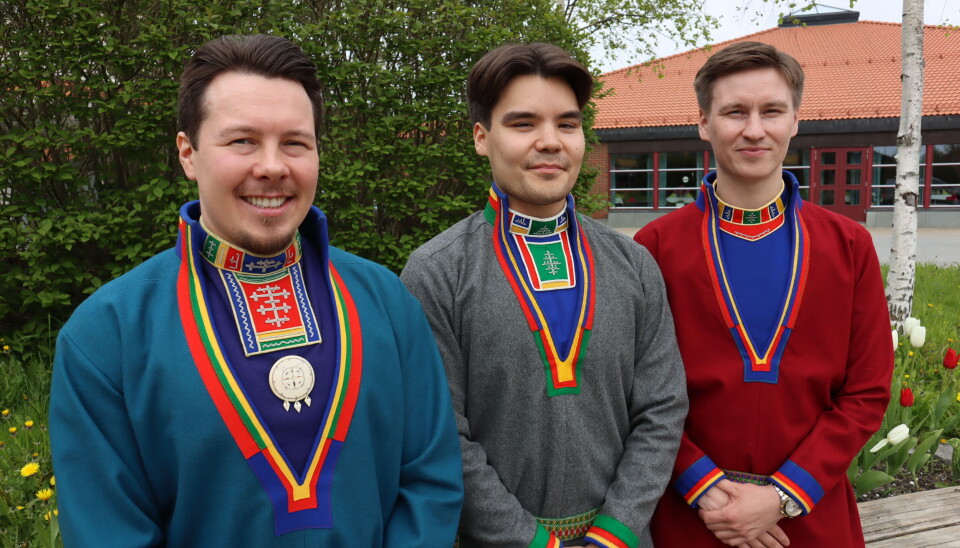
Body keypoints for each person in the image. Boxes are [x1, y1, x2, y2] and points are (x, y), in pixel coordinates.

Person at [49, 34, 462, 547]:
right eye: (242, 140)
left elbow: (430, 483)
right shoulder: (103, 337)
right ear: (188, 154)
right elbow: (106, 532)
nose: (272, 166)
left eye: (295, 142)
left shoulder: (388, 303)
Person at [401, 42, 688, 548]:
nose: (550, 142)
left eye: (567, 124)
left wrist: (614, 534)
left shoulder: (634, 265)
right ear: (481, 137)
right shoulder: (438, 271)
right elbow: (442, 434)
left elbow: (662, 411)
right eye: (523, 123)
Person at [634, 41, 894, 547]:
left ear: (795, 120)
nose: (754, 129)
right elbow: (634, 390)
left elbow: (866, 393)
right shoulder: (656, 246)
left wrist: (781, 496)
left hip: (808, 517)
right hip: (692, 516)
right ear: (704, 124)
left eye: (771, 111)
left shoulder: (849, 244)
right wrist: (704, 487)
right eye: (734, 112)